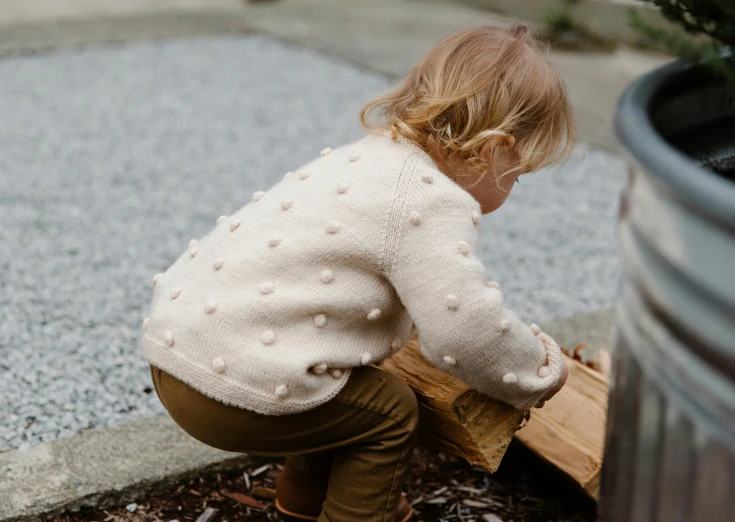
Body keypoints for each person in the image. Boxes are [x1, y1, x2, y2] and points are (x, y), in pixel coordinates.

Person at [143, 24, 573, 522]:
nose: (513, 187)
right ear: (492, 149)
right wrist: (538, 369)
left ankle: (304, 497)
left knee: (332, 365)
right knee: (388, 413)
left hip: (176, 352)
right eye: (517, 175)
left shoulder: (368, 155)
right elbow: (464, 327)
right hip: (227, 389)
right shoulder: (431, 201)